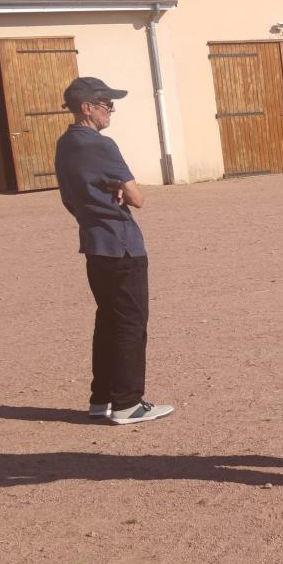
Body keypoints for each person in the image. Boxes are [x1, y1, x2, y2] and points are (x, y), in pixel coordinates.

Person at [54, 76, 173, 426]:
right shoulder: (101, 145)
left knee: (107, 321)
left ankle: (102, 398)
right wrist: (122, 192)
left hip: (94, 243)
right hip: (122, 246)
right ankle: (127, 403)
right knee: (130, 325)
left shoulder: (66, 144)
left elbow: (73, 196)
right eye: (107, 104)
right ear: (87, 107)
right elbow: (137, 197)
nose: (111, 111)